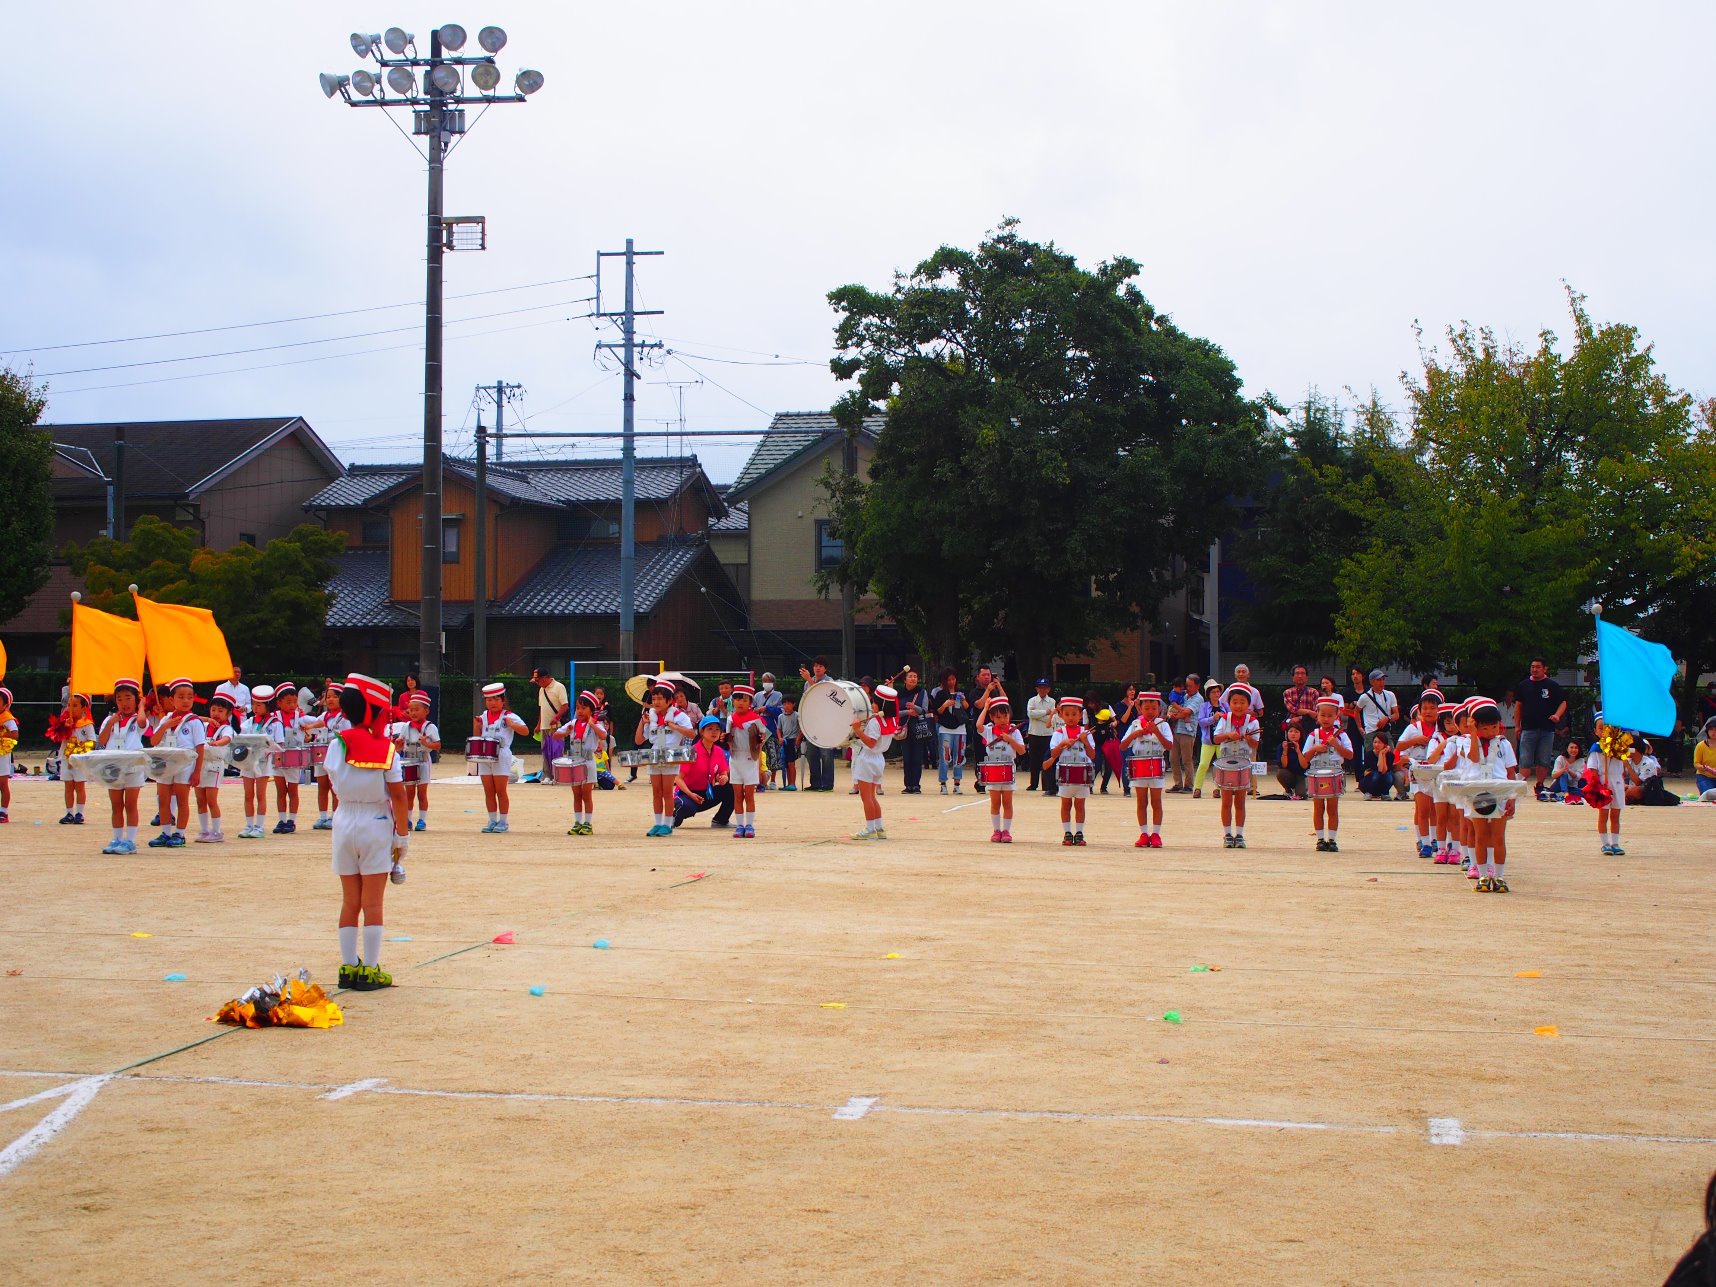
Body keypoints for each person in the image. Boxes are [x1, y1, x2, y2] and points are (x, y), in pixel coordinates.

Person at [325, 673, 411, 991]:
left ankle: (348, 967)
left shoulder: (336, 744)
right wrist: (402, 835)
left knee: (350, 900)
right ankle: (371, 969)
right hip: (375, 821)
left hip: (344, 818)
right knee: (373, 903)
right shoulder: (386, 749)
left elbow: (332, 782)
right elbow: (399, 796)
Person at [1461, 699, 1520, 892]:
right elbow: (1475, 759)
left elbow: (1511, 772)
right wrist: (1473, 734)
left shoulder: (1504, 744)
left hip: (1499, 791)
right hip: (1477, 792)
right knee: (1480, 836)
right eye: (1485, 728)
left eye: (1494, 727)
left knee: (1498, 837)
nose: (1490, 732)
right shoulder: (1469, 742)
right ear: (1476, 727)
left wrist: (1512, 797)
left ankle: (1500, 876)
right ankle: (1483, 875)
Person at [95, 680, 149, 852]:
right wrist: (111, 722)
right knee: (116, 804)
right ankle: (117, 838)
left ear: (135, 700)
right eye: (119, 699)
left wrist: (142, 706)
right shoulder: (110, 720)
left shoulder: (137, 719)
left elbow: (142, 723)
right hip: (114, 766)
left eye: (128, 698)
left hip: (132, 767)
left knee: (130, 804)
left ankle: (130, 841)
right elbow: (101, 741)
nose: (124, 703)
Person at [640, 682, 696, 835]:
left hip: (671, 756)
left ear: (670, 700)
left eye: (660, 698)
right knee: (656, 792)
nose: (656, 702)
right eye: (654, 698)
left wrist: (673, 726)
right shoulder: (651, 716)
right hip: (655, 756)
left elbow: (691, 734)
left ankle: (667, 824)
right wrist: (642, 721)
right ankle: (658, 824)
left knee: (666, 792)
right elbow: (639, 740)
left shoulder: (679, 715)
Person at [473, 681, 529, 833]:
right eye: (489, 700)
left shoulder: (509, 716)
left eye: (496, 699)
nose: (492, 703)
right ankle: (492, 820)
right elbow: (477, 736)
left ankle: (503, 821)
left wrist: (512, 725)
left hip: (501, 754)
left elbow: (525, 731)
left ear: (503, 700)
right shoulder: (483, 716)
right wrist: (477, 726)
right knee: (488, 790)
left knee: (500, 790)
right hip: (485, 755)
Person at [1120, 690, 1173, 848]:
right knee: (1141, 802)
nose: (1150, 712)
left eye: (1154, 708)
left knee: (1156, 802)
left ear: (1159, 709)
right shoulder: (1135, 724)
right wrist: (1135, 734)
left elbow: (1169, 746)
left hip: (1156, 765)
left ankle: (1156, 834)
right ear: (1140, 709)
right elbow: (1122, 746)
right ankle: (1144, 833)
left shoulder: (1163, 725)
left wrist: (1156, 731)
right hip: (1139, 766)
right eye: (1147, 708)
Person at [1395, 689, 1444, 857]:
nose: (1428, 711)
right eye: (1425, 708)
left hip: (1436, 773)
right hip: (1418, 771)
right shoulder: (1413, 728)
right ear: (1419, 710)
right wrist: (1415, 741)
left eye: (1433, 708)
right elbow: (1400, 746)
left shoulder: (1442, 728)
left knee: (1434, 809)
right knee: (1422, 808)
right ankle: (1424, 842)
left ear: (1439, 710)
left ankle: (1434, 838)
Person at [1305, 696, 1354, 852]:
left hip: (1334, 771)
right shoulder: (1313, 735)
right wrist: (1315, 749)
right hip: (1316, 771)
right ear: (1317, 715)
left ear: (1336, 716)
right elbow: (1305, 757)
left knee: (1332, 808)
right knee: (1318, 808)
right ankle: (1320, 839)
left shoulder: (1341, 735)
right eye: (1322, 715)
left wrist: (1336, 745)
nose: (1326, 719)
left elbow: (1350, 755)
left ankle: (1332, 839)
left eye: (1330, 715)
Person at [1512, 658, 1568, 796]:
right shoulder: (1524, 685)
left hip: (1547, 729)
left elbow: (1563, 703)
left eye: (1538, 667)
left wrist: (1557, 715)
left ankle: (1540, 785)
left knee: (1543, 759)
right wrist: (1517, 726)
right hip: (1528, 728)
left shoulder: (1552, 685)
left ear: (1545, 668)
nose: (1534, 669)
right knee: (1525, 760)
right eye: (1532, 667)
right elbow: (1518, 706)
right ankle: (1519, 786)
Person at [1213, 685, 1260, 848]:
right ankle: (1227, 834)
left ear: (1248, 705)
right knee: (1226, 801)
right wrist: (1228, 735)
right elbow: (1216, 739)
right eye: (1235, 702)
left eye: (1242, 702)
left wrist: (1247, 738)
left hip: (1243, 763)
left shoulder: (1253, 722)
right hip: (1226, 762)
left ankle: (1239, 834)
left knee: (1240, 801)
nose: (1238, 706)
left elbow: (1256, 744)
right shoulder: (1225, 719)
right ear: (1229, 703)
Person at [1046, 696, 1095, 846]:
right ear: (1061, 715)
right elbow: (1053, 755)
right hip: (1065, 774)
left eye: (1074, 714)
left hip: (1082, 774)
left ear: (1081, 715)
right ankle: (1067, 832)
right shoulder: (1058, 733)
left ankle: (1079, 832)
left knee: (1080, 805)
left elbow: (1092, 755)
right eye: (1066, 714)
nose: (1071, 718)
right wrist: (1062, 744)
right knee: (1065, 804)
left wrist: (1085, 741)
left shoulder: (1086, 733)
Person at [850, 685, 897, 839]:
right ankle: (879, 828)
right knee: (872, 797)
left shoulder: (876, 722)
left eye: (875, 701)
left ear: (881, 704)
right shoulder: (891, 719)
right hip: (878, 759)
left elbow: (870, 742)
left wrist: (858, 730)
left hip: (868, 758)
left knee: (866, 797)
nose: (872, 703)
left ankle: (870, 829)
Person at [303, 679, 350, 831]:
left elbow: (347, 735)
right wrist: (309, 731)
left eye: (335, 697)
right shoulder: (323, 716)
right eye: (328, 697)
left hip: (337, 754)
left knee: (334, 786)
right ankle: (322, 816)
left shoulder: (345, 717)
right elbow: (312, 728)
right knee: (322, 785)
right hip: (321, 753)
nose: (330, 699)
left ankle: (335, 815)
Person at [1585, 720, 1637, 855]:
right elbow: (1593, 769)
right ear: (1596, 731)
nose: (1603, 731)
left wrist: (1616, 747)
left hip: (1617, 781)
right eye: (1600, 728)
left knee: (1615, 814)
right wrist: (1597, 784)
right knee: (1603, 814)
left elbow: (1625, 761)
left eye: (1607, 728)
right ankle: (1605, 843)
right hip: (1603, 781)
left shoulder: (1619, 745)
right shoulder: (1596, 748)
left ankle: (1615, 843)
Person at [673, 716, 735, 829]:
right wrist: (690, 794)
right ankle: (673, 818)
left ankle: (721, 820)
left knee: (733, 788)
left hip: (706, 793)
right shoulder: (691, 751)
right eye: (710, 728)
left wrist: (724, 778)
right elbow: (677, 778)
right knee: (685, 807)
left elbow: (723, 772)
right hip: (687, 793)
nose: (714, 732)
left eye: (717, 729)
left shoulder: (718, 751)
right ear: (702, 731)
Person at [555, 690, 603, 836]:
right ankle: (577, 822)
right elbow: (556, 735)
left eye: (583, 708)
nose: (580, 711)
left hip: (588, 762)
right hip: (574, 762)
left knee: (586, 794)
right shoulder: (572, 723)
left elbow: (603, 735)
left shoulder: (595, 723)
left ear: (591, 709)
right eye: (577, 708)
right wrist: (565, 732)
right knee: (576, 794)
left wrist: (592, 724)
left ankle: (588, 823)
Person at [236, 685, 281, 839]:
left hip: (263, 762)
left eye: (259, 705)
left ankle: (259, 826)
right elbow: (240, 739)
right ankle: (248, 825)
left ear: (268, 705)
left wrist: (268, 748)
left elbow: (279, 745)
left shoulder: (275, 723)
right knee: (248, 795)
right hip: (248, 761)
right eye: (253, 704)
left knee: (260, 795)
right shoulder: (249, 722)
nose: (255, 707)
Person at [390, 692, 440, 831]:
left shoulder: (430, 727)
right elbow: (400, 744)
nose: (413, 713)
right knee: (409, 793)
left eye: (417, 709)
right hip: (409, 760)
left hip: (423, 760)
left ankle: (422, 820)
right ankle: (408, 819)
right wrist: (398, 743)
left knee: (422, 793)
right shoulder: (406, 726)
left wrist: (426, 743)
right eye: (411, 710)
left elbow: (437, 745)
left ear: (426, 711)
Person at [977, 697, 1024, 842]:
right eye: (998, 717)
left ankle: (1006, 831)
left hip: (1009, 769)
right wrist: (985, 708)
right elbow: (978, 725)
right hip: (993, 770)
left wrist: (1010, 739)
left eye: (1005, 716)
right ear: (992, 717)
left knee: (1008, 803)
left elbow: (1022, 751)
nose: (1003, 720)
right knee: (995, 803)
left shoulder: (1014, 732)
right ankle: (996, 831)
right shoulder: (990, 731)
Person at [726, 684, 765, 837]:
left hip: (750, 759)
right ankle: (739, 825)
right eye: (737, 699)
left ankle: (749, 825)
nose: (740, 702)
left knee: (749, 794)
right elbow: (727, 739)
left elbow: (763, 737)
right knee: (737, 795)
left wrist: (759, 762)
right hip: (735, 759)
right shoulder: (730, 719)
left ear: (750, 702)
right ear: (733, 702)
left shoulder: (756, 719)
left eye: (744, 700)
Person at [193, 693, 233, 843]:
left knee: (211, 800)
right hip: (200, 765)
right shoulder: (204, 725)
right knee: (200, 800)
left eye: (220, 711)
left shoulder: (226, 728)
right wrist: (207, 719)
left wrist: (217, 743)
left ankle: (217, 832)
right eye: (213, 710)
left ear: (228, 714)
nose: (216, 714)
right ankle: (204, 831)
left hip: (214, 765)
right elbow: (192, 718)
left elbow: (227, 739)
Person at [1354, 669, 1401, 790]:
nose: (1381, 682)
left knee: (1391, 758)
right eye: (1378, 680)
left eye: (1383, 679)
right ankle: (1369, 786)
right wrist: (1360, 727)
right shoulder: (1365, 697)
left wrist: (1387, 718)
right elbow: (1356, 711)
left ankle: (1390, 786)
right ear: (1372, 682)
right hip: (1371, 732)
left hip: (1385, 731)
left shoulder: (1390, 695)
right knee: (1371, 762)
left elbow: (1396, 714)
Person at [271, 684, 307, 834]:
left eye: (294, 702)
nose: (292, 705)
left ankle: (292, 820)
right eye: (288, 702)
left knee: (293, 790)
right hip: (278, 756)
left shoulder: (301, 717)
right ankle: (281, 819)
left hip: (293, 757)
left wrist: (309, 728)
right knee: (280, 790)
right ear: (279, 703)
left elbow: (316, 724)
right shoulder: (274, 717)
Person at [57, 692, 98, 826]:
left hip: (80, 760)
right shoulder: (64, 723)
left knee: (79, 786)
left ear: (84, 708)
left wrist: (78, 749)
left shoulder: (87, 724)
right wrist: (64, 728)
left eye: (75, 706)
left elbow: (92, 741)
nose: (70, 708)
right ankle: (69, 813)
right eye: (69, 705)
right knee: (68, 785)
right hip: (66, 759)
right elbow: (57, 737)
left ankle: (80, 813)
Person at [798, 658, 836, 791]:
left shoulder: (829, 681)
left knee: (826, 754)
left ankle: (827, 784)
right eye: (815, 666)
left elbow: (821, 696)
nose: (817, 668)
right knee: (811, 754)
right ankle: (815, 783)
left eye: (820, 666)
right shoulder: (808, 682)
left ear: (825, 668)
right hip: (812, 722)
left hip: (826, 723)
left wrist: (809, 680)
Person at [930, 667, 968, 795]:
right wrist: (945, 705)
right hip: (945, 728)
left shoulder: (960, 692)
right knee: (945, 756)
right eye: (948, 679)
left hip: (960, 728)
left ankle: (957, 784)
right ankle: (943, 783)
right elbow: (937, 711)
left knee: (959, 757)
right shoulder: (940, 694)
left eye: (953, 679)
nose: (951, 682)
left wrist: (962, 699)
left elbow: (968, 708)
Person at [531, 667, 570, 785]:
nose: (537, 683)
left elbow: (565, 706)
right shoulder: (541, 690)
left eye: (538, 680)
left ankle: (557, 775)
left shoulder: (559, 687)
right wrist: (538, 725)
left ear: (545, 678)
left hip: (557, 726)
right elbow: (541, 708)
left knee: (556, 750)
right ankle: (547, 775)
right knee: (545, 751)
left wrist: (556, 717)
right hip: (544, 726)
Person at [898, 667, 931, 794]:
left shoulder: (922, 692)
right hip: (904, 727)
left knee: (917, 757)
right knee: (907, 758)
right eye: (910, 676)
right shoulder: (899, 694)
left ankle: (916, 785)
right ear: (905, 680)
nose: (913, 679)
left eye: (915, 676)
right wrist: (907, 712)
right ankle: (908, 785)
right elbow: (895, 712)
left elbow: (925, 710)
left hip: (918, 728)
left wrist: (914, 708)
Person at [1167, 674, 1202, 793]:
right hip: (1176, 730)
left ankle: (1189, 785)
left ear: (1197, 686)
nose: (1187, 688)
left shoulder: (1198, 698)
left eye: (1190, 686)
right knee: (1173, 759)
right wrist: (1177, 714)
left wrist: (1175, 715)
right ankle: (1178, 784)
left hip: (1188, 732)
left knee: (1187, 759)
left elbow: (1187, 711)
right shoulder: (1184, 695)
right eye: (1186, 685)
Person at [1191, 677, 1225, 798]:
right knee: (1203, 764)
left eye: (1218, 692)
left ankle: (1218, 788)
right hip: (1208, 740)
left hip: (1222, 740)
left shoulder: (1224, 706)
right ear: (1208, 694)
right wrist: (1213, 718)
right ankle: (1198, 788)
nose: (1216, 694)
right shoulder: (1204, 707)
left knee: (1221, 765)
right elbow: (1201, 722)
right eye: (1213, 692)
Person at [1026, 678, 1059, 796]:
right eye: (1040, 687)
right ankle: (1033, 784)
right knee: (1034, 760)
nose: (1042, 689)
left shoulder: (1052, 701)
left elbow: (1053, 717)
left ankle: (1046, 784)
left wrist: (1038, 714)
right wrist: (1046, 712)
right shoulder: (1032, 700)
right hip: (1034, 733)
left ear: (1049, 689)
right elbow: (1030, 714)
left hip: (1048, 734)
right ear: (1036, 688)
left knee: (1046, 759)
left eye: (1045, 687)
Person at [756, 672, 784, 790]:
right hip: (759, 724)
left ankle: (772, 780)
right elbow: (752, 708)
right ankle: (761, 780)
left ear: (773, 682)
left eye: (769, 681)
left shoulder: (778, 695)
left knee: (773, 754)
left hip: (772, 727)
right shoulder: (757, 695)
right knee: (761, 754)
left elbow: (781, 710)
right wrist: (757, 710)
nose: (766, 683)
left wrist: (767, 708)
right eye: (764, 680)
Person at [1281, 665, 1316, 740]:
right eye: (1297, 673)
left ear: (1307, 677)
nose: (1300, 676)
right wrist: (1308, 712)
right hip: (1292, 726)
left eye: (1303, 673)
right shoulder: (1287, 693)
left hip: (1309, 725)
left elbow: (1315, 713)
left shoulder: (1313, 692)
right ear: (1293, 677)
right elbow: (1292, 709)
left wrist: (1300, 717)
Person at [213, 666, 250, 730]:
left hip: (242, 720)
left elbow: (249, 704)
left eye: (239, 672)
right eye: (235, 672)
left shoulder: (245, 688)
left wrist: (244, 708)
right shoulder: (220, 688)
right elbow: (215, 705)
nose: (237, 674)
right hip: (225, 718)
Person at [777, 697, 801, 790]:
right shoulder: (781, 716)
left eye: (788, 703)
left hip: (792, 740)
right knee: (786, 764)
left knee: (791, 763)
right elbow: (779, 729)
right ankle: (788, 783)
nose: (786, 706)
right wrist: (779, 738)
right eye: (784, 704)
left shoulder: (797, 715)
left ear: (793, 704)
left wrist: (798, 738)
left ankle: (793, 783)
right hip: (785, 741)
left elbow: (801, 728)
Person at [1277, 726, 1308, 799]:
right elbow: (1284, 765)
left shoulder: (1305, 745)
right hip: (1289, 774)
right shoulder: (1282, 746)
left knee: (1302, 795)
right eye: (1290, 731)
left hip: (1302, 775)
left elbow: (1305, 766)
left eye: (1296, 732)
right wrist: (1285, 751)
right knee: (1281, 773)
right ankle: (1288, 790)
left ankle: (1304, 788)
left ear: (1301, 734)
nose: (1293, 734)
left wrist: (1298, 751)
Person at [0, 687, 16, 824]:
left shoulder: (7, 718)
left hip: (2, 755)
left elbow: (15, 734)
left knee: (3, 784)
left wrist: (2, 733)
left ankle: (4, 812)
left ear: (6, 705)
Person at [1695, 719, 1716, 801]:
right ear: (1707, 731)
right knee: (1708, 794)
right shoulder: (1700, 746)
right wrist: (1704, 767)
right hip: (1705, 775)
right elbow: (1696, 763)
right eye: (1711, 730)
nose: (1714, 732)